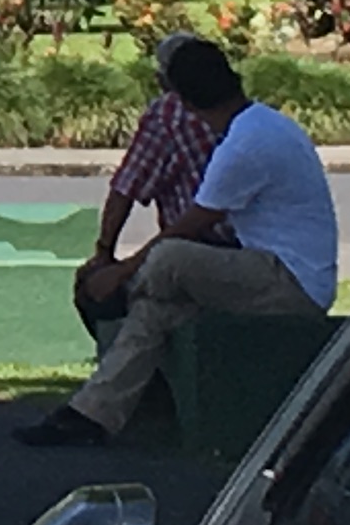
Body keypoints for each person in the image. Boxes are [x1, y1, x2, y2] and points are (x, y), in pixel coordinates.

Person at [18, 37, 336, 447]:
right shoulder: (263, 124)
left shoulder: (242, 145)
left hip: (291, 283)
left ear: (181, 100)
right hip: (276, 272)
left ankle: (119, 295)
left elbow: (188, 226)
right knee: (157, 311)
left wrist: (119, 272)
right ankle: (91, 414)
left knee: (169, 259)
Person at [74, 31, 238, 331]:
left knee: (96, 287)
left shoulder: (168, 114)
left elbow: (126, 188)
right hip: (250, 251)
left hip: (199, 248)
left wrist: (104, 253)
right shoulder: (238, 108)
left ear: (164, 80)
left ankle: (126, 359)